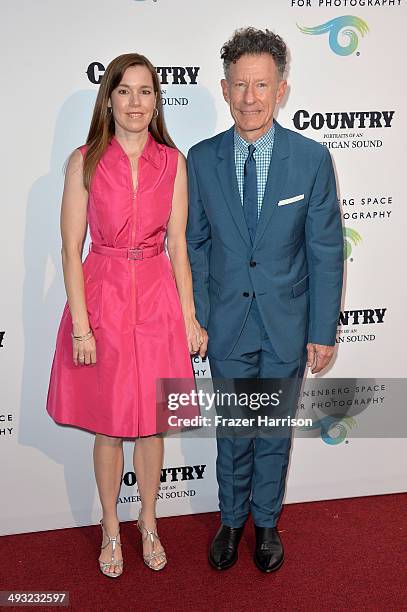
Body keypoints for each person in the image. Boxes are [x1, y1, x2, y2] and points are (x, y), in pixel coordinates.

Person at [186, 28, 343, 573]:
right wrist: (198, 317)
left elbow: (325, 250)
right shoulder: (200, 160)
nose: (250, 97)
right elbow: (195, 244)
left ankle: (267, 522)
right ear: (223, 89)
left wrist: (323, 328)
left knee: (273, 431)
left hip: (285, 323)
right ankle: (231, 521)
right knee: (233, 432)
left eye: (262, 85)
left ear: (281, 90)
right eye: (239, 85)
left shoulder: (311, 160)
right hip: (226, 323)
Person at [46, 53, 207, 577]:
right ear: (109, 98)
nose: (135, 102)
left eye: (145, 91)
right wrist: (81, 323)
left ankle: (150, 521)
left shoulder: (173, 162)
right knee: (111, 427)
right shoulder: (84, 161)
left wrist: (188, 316)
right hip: (104, 295)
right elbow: (71, 248)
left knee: (154, 425)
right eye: (124, 91)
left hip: (158, 296)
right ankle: (111, 528)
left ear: (156, 99)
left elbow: (179, 245)